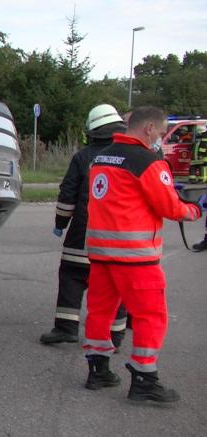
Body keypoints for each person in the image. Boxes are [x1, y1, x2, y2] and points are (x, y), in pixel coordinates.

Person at [81, 106, 205, 403]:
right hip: (135, 257)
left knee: (100, 312)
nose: (160, 139)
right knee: (151, 316)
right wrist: (196, 209)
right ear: (149, 128)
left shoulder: (100, 157)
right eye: (161, 133)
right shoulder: (148, 161)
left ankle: (98, 371)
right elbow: (170, 208)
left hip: (101, 254)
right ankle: (144, 379)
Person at [42, 104, 128, 348]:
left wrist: (61, 223)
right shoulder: (132, 156)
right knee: (115, 281)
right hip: (120, 236)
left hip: (84, 233)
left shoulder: (83, 157)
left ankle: (66, 327)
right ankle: (116, 332)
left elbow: (67, 194)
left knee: (71, 275)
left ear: (92, 131)